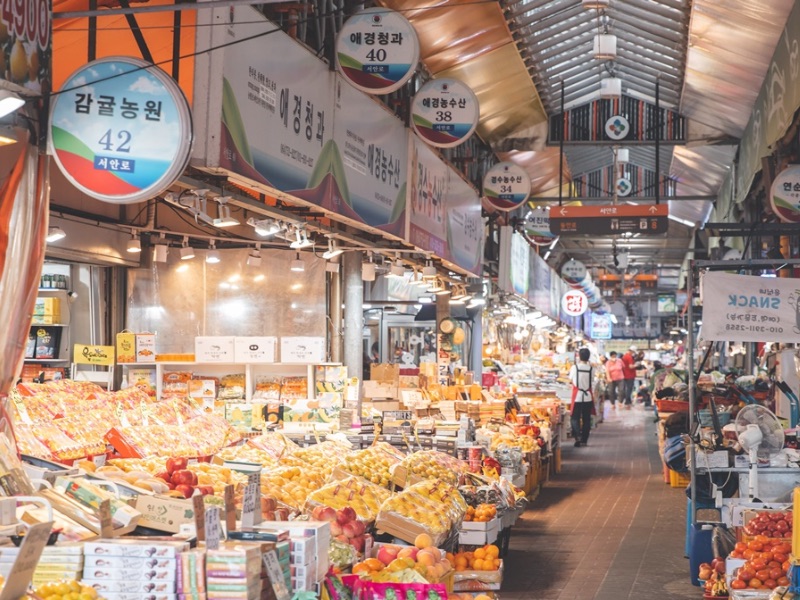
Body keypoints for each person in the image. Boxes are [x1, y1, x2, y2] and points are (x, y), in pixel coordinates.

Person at [569, 347, 595, 447]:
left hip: (577, 397)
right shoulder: (591, 369)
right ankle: (584, 439)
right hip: (587, 397)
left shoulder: (574, 368)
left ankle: (577, 437)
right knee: (586, 419)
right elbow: (592, 381)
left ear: (579, 356)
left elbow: (571, 379)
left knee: (574, 418)